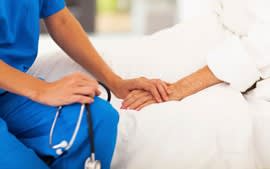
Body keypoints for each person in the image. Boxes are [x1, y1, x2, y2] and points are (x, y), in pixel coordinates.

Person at [0, 1, 168, 169]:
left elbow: (60, 19)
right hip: (21, 87)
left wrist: (115, 82)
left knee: (99, 118)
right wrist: (42, 90)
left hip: (11, 92)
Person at [110, 0, 270, 168]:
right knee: (114, 66)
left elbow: (259, 46)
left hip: (243, 53)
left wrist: (177, 89)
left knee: (139, 112)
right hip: (215, 29)